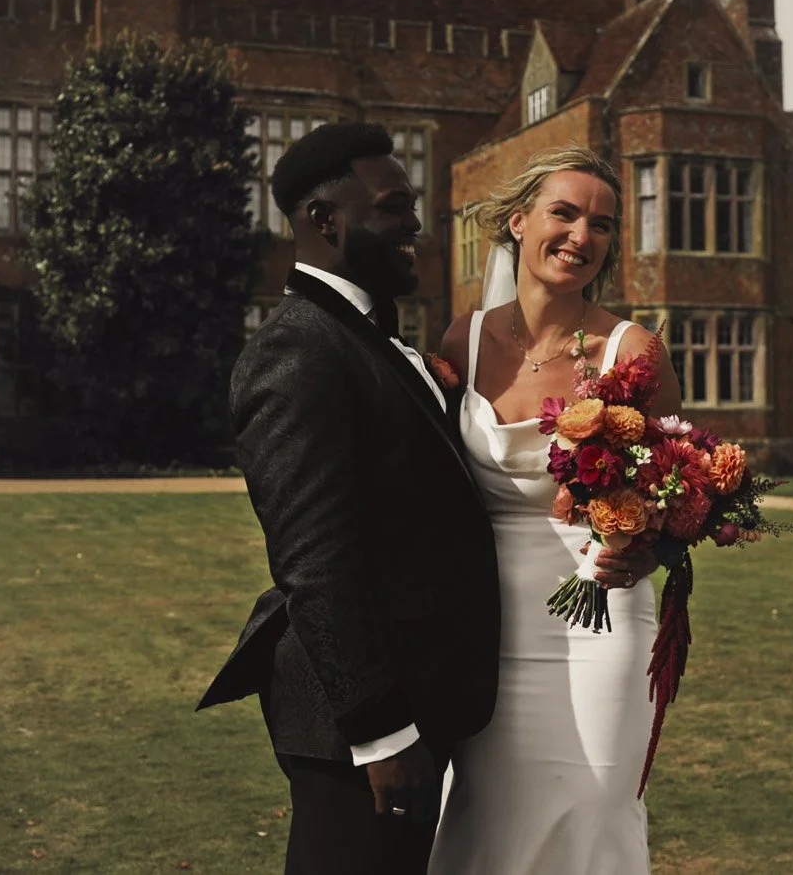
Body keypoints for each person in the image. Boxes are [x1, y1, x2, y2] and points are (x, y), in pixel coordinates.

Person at [195, 125, 651, 875]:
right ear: (326, 221)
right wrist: (380, 732)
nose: (415, 224)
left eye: (603, 223)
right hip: (362, 721)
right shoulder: (298, 348)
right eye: (393, 206)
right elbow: (314, 557)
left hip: (441, 690)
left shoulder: (382, 342)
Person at [427, 146, 681, 875]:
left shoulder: (633, 350)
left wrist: (650, 545)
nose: (581, 236)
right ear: (516, 223)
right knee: (485, 809)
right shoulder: (461, 340)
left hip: (601, 609)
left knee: (595, 800)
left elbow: (679, 488)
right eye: (563, 214)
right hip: (483, 619)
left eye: (602, 225)